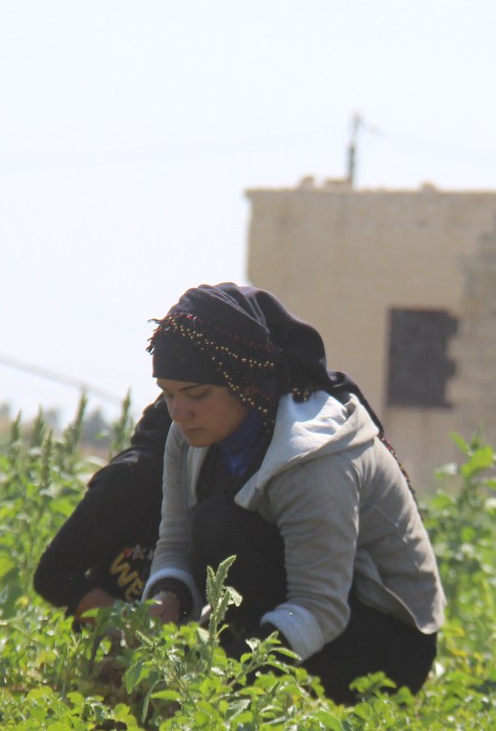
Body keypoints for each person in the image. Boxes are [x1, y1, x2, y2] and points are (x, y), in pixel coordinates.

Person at [140, 282, 445, 704]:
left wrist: (231, 688)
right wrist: (166, 599)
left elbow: (322, 605)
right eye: (168, 395)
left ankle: (265, 692)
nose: (180, 412)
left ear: (245, 385)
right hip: (311, 612)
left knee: (221, 526)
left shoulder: (314, 459)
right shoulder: (187, 436)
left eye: (196, 395)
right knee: (216, 526)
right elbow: (174, 544)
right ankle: (256, 679)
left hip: (385, 644)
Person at [33, 395, 171, 622]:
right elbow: (53, 576)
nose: (185, 411)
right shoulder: (130, 480)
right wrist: (134, 627)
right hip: (110, 649)